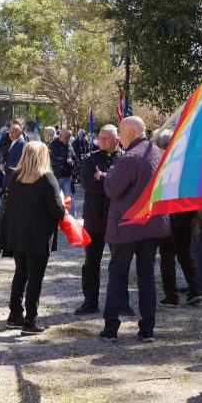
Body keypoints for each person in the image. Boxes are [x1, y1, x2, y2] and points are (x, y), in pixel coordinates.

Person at [99, 116, 170, 343]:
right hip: (151, 224)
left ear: (130, 133)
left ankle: (111, 328)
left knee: (118, 274)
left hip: (128, 225)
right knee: (146, 275)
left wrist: (109, 173)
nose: (118, 136)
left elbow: (112, 189)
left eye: (120, 131)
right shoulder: (157, 154)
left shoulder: (130, 158)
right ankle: (147, 329)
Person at [3, 141, 65, 335]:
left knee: (20, 273)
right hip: (38, 234)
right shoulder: (47, 178)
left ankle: (15, 315)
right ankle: (30, 320)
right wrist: (63, 205)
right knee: (35, 277)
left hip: (17, 233)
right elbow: (57, 210)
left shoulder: (15, 175)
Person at [75, 124, 124, 315]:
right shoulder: (89, 158)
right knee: (91, 262)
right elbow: (88, 185)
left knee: (119, 262)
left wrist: (103, 177)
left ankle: (122, 302)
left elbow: (125, 186)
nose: (101, 140)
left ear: (117, 140)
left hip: (117, 217)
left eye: (105, 138)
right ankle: (90, 301)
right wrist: (112, 183)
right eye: (99, 137)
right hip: (94, 218)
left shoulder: (125, 159)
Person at [157, 130, 202, 310]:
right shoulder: (188, 159)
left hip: (169, 212)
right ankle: (195, 289)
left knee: (168, 255)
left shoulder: (160, 161)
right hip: (186, 211)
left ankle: (172, 296)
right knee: (185, 252)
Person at [48, 128, 75, 206]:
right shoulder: (52, 145)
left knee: (69, 200)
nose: (68, 140)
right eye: (66, 137)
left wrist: (73, 164)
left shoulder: (69, 145)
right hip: (56, 176)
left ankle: (71, 217)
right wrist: (65, 160)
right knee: (55, 200)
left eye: (69, 138)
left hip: (67, 176)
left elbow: (74, 157)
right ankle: (55, 217)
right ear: (60, 136)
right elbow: (51, 160)